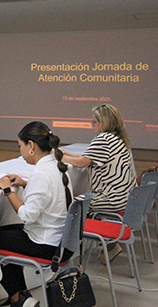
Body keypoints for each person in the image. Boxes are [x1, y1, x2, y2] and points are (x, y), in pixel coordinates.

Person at [0, 121, 73, 307]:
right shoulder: (58, 166)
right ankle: (22, 296)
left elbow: (26, 215)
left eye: (20, 146)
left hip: (46, 244)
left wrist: (8, 191)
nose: (20, 151)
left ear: (31, 146)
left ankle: (18, 298)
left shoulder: (41, 173)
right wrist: (25, 184)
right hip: (62, 241)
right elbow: (50, 196)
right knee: (5, 234)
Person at [62, 104, 136, 262]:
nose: (92, 124)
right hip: (126, 198)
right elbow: (87, 158)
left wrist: (56, 157)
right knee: (82, 202)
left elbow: (82, 162)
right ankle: (108, 247)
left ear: (104, 123)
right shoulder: (118, 139)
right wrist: (68, 155)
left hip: (113, 199)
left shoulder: (104, 138)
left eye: (94, 121)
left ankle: (66, 254)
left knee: (71, 204)